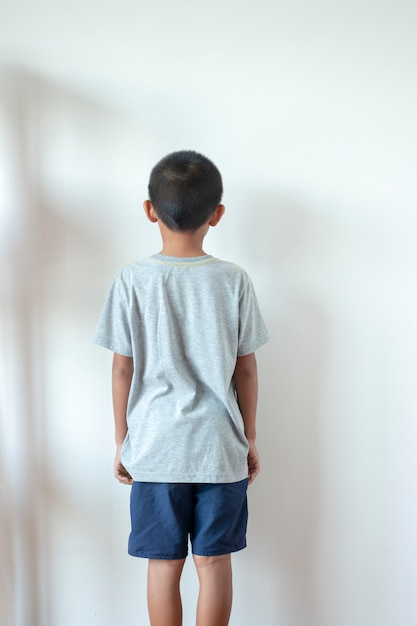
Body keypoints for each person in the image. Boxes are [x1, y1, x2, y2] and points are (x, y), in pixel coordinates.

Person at [94, 150, 269, 626]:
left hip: (153, 448)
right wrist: (249, 437)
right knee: (213, 564)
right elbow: (246, 370)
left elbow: (121, 371)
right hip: (219, 447)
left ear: (150, 209)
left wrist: (121, 440)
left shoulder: (130, 281)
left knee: (163, 564)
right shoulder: (234, 280)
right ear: (217, 214)